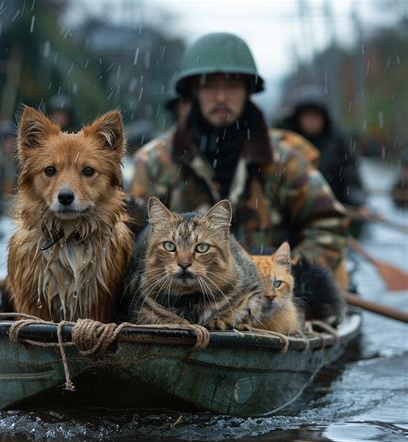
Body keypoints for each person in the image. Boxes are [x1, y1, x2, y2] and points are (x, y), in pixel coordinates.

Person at [129, 32, 349, 279]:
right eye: (209, 85)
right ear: (193, 92)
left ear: (248, 91)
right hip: (181, 296)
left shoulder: (285, 158)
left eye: (232, 86)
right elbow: (131, 235)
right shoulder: (153, 161)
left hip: (267, 296)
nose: (221, 97)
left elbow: (327, 225)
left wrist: (288, 273)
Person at [277, 85, 367, 212]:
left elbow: (350, 174)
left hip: (332, 207)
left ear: (323, 118)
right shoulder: (288, 142)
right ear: (299, 118)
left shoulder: (338, 142)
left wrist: (357, 202)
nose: (311, 121)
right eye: (307, 116)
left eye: (315, 116)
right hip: (295, 207)